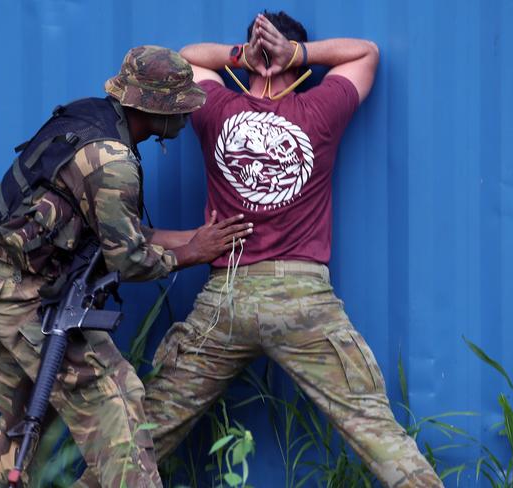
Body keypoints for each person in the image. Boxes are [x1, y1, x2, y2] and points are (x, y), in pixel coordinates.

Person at [142, 13, 444, 488]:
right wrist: (298, 54)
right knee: (379, 436)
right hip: (304, 301)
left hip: (227, 297)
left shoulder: (216, 108)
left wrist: (241, 57)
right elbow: (367, 52)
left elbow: (182, 59)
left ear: (246, 63)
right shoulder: (320, 110)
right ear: (296, 63)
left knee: (143, 437)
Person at [0, 45, 253, 487]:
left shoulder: (88, 119)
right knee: (118, 408)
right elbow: (129, 259)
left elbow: (116, 231)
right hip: (19, 297)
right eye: (180, 106)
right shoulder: (113, 162)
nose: (188, 116)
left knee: (23, 426)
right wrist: (190, 254)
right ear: (154, 109)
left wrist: (198, 239)